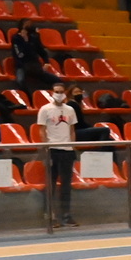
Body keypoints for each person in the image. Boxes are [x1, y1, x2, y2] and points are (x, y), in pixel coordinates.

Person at [38, 82, 82, 227]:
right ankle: (50, 215)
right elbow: (41, 130)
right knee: (50, 184)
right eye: (56, 91)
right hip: (52, 149)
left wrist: (72, 146)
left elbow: (72, 130)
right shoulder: (45, 109)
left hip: (67, 150)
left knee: (66, 185)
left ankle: (66, 215)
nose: (59, 94)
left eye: (61, 91)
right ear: (52, 92)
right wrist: (46, 147)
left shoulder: (70, 110)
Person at [11, 17, 56, 92]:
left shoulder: (34, 37)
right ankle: (28, 97)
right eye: (27, 25)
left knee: (56, 80)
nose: (30, 26)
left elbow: (41, 51)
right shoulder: (16, 38)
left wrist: (46, 62)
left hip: (35, 65)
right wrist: (25, 41)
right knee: (20, 81)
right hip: (22, 65)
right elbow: (20, 55)